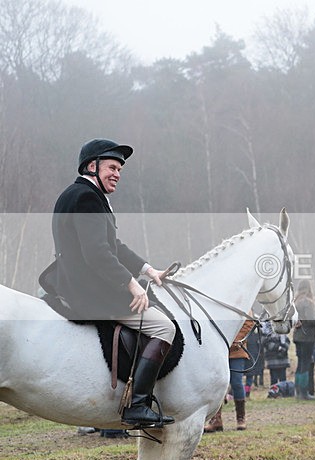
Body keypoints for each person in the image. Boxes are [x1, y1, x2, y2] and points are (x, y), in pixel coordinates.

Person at [40, 138, 175, 429]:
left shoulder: (81, 194)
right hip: (90, 293)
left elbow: (113, 245)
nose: (117, 174)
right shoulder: (87, 197)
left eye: (120, 170)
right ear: (92, 166)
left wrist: (148, 270)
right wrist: (132, 284)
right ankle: (137, 405)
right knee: (165, 327)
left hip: (77, 283)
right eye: (112, 167)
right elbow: (98, 254)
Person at [205, 320, 254, 432]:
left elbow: (248, 323)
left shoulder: (244, 303)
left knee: (236, 383)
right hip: (218, 348)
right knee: (216, 383)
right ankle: (216, 420)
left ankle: (241, 419)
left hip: (237, 349)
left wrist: (236, 340)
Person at [292, 279, 315, 400]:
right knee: (305, 364)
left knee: (300, 364)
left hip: (298, 336)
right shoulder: (307, 302)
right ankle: (304, 392)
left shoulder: (296, 301)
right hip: (307, 337)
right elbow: (311, 319)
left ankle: (298, 391)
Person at [263, 321, 291, 385]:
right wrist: (278, 347)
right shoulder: (267, 326)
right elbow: (265, 342)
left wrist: (283, 348)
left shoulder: (283, 325)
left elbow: (287, 341)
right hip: (272, 357)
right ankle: (274, 392)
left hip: (283, 357)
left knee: (283, 377)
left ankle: (283, 391)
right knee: (274, 378)